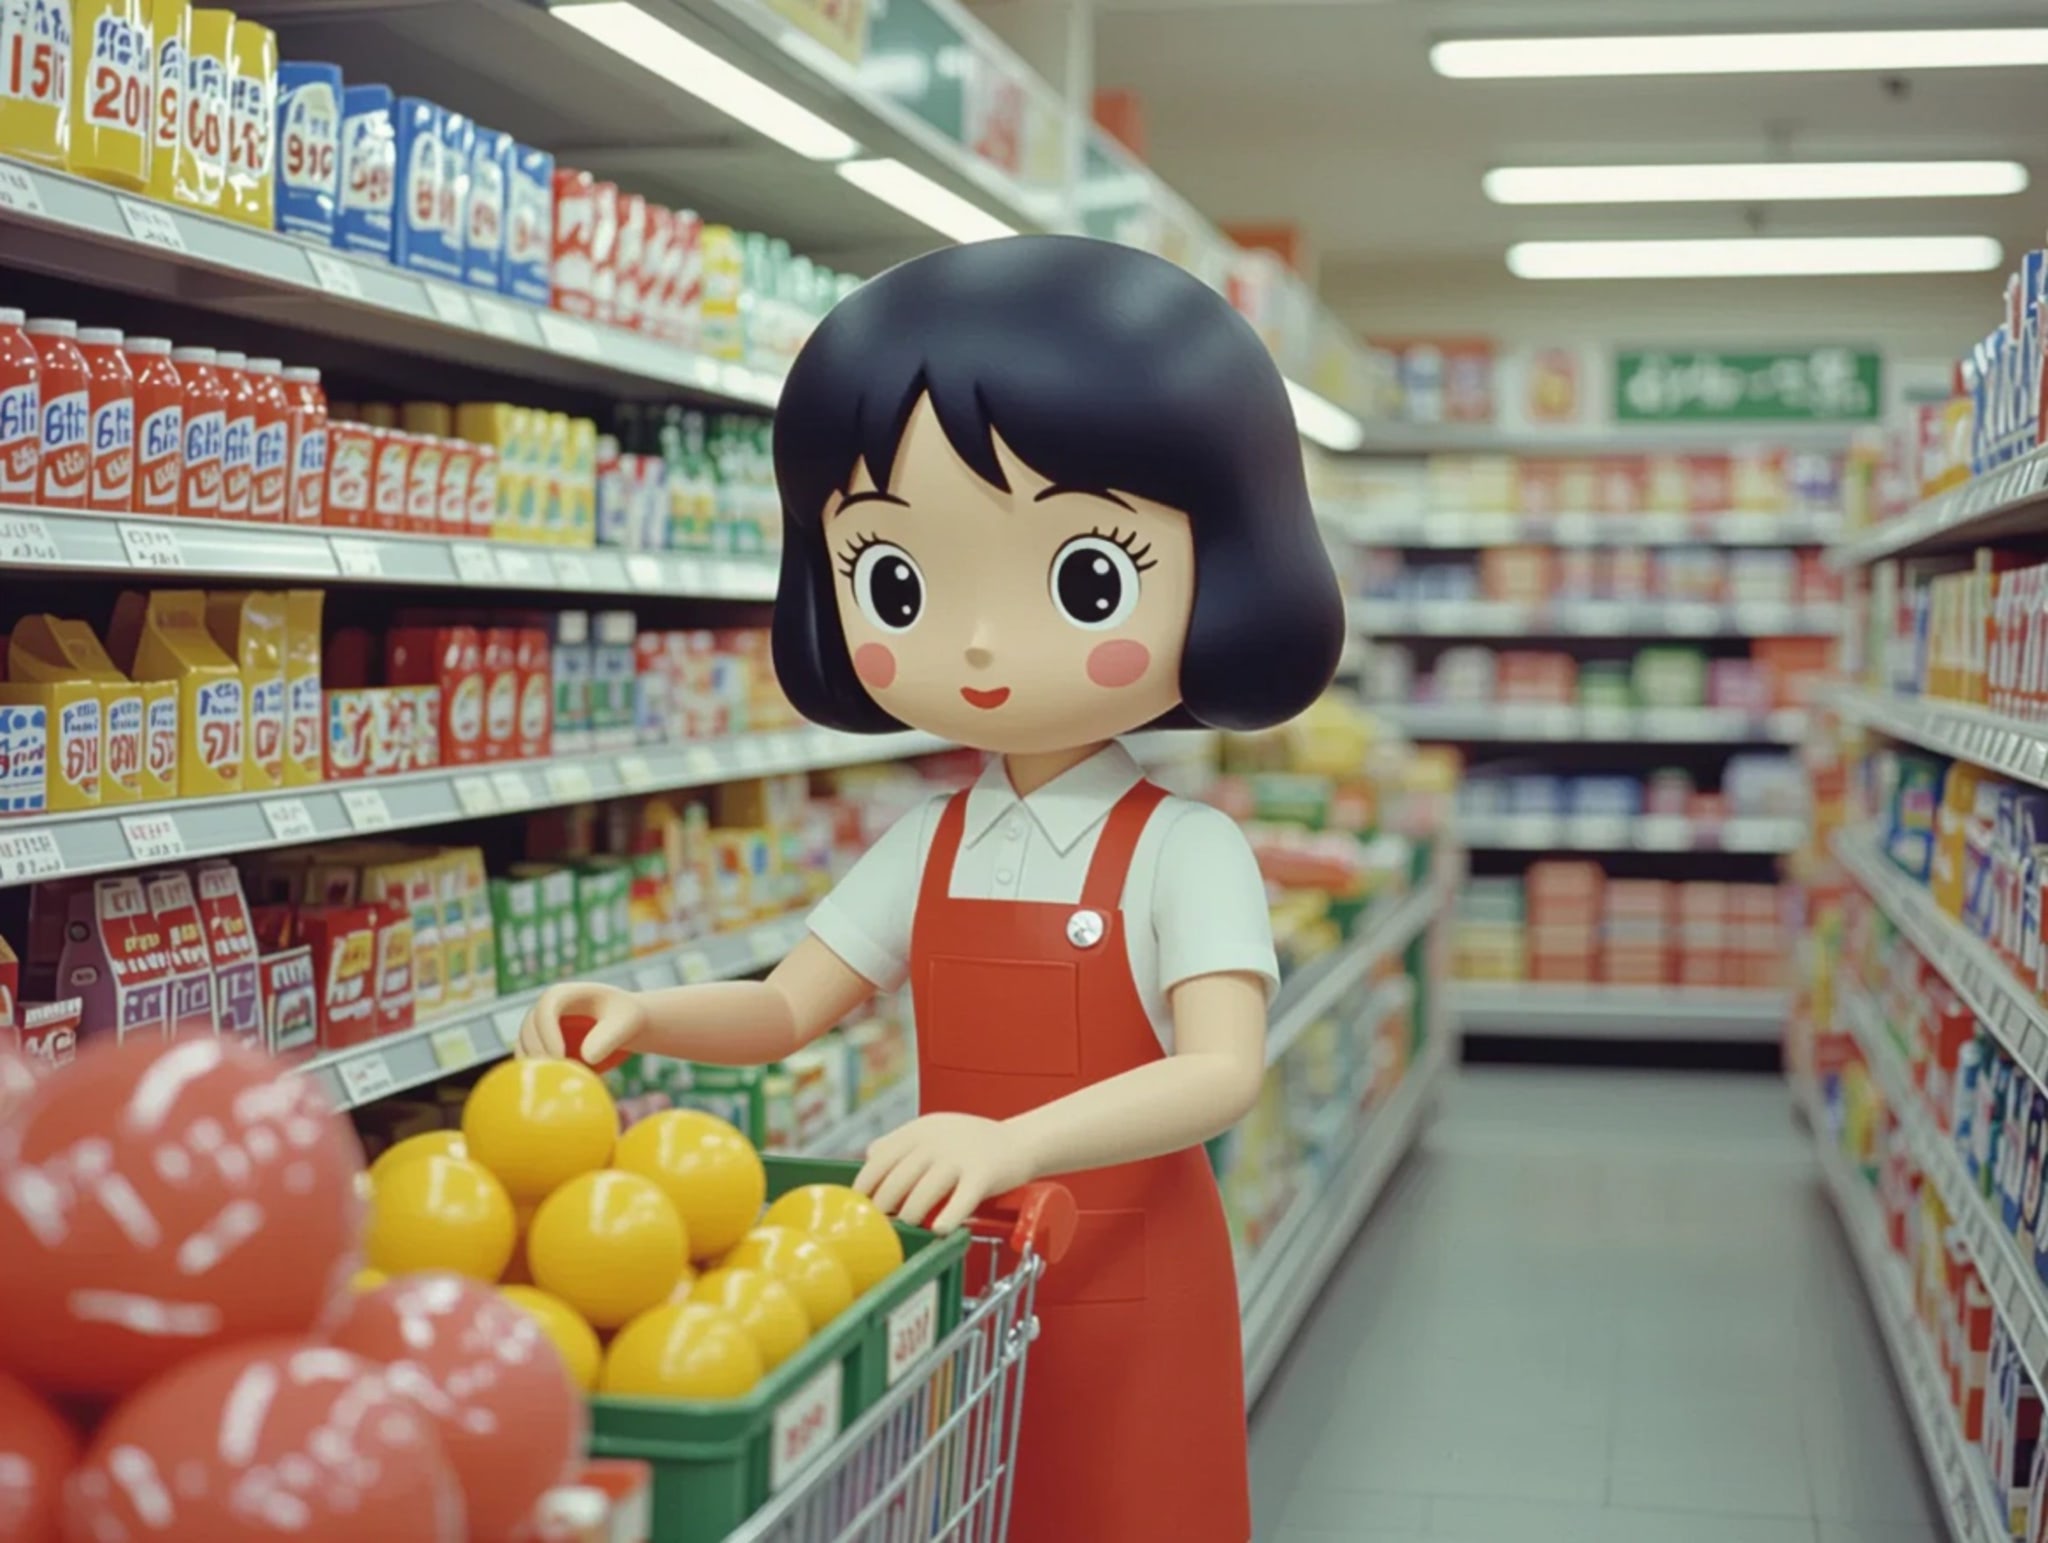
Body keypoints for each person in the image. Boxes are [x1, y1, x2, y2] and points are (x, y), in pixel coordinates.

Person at [519, 233, 1346, 1543]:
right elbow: (794, 1010)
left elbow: (1220, 1074)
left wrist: (1009, 1145)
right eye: (893, 579)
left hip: (1134, 1277)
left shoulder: (1189, 851)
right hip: (953, 1276)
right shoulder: (929, 841)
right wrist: (648, 1012)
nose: (970, 642)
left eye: (1084, 576)